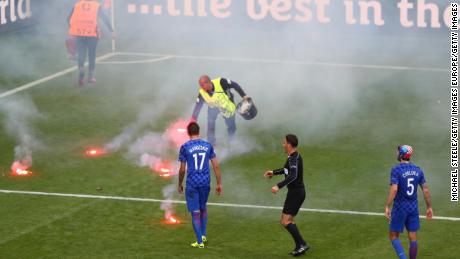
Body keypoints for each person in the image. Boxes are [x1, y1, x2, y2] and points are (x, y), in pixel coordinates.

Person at [178, 122, 223, 248]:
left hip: (192, 183)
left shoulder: (185, 147)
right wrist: (219, 183)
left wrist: (180, 183)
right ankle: (203, 234)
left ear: (188, 133)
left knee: (195, 212)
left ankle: (199, 242)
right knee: (203, 207)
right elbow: (216, 165)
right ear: (199, 132)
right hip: (205, 182)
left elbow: (182, 169)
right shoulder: (208, 145)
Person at [264, 134, 309, 256]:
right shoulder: (292, 157)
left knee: (285, 221)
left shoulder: (294, 158)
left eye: (284, 142)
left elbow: (293, 175)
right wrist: (273, 172)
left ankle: (302, 244)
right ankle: (300, 245)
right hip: (296, 192)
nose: (283, 145)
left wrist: (278, 186)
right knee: (289, 220)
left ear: (289, 144)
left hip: (296, 193)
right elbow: (286, 170)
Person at [384, 145, 433, 259]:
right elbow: (425, 189)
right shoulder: (418, 169)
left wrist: (387, 206)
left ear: (401, 155)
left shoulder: (396, 170)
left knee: (393, 236)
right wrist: (429, 207)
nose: (396, 154)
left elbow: (394, 189)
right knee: (413, 237)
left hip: (400, 207)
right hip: (413, 207)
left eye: (398, 152)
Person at [191, 75, 251, 146]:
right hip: (214, 106)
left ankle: (231, 139)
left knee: (231, 124)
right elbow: (198, 105)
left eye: (202, 85)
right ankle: (211, 142)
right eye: (200, 85)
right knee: (210, 122)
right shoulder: (202, 92)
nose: (201, 87)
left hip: (227, 106)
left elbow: (235, 85)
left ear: (208, 83)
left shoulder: (221, 82)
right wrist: (194, 118)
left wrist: (244, 95)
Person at [68, 0, 115, 86]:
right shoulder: (96, 5)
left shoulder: (77, 4)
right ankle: (90, 77)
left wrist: (72, 30)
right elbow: (104, 18)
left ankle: (81, 75)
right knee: (91, 54)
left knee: (81, 53)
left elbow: (69, 18)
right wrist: (111, 31)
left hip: (79, 33)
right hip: (92, 33)